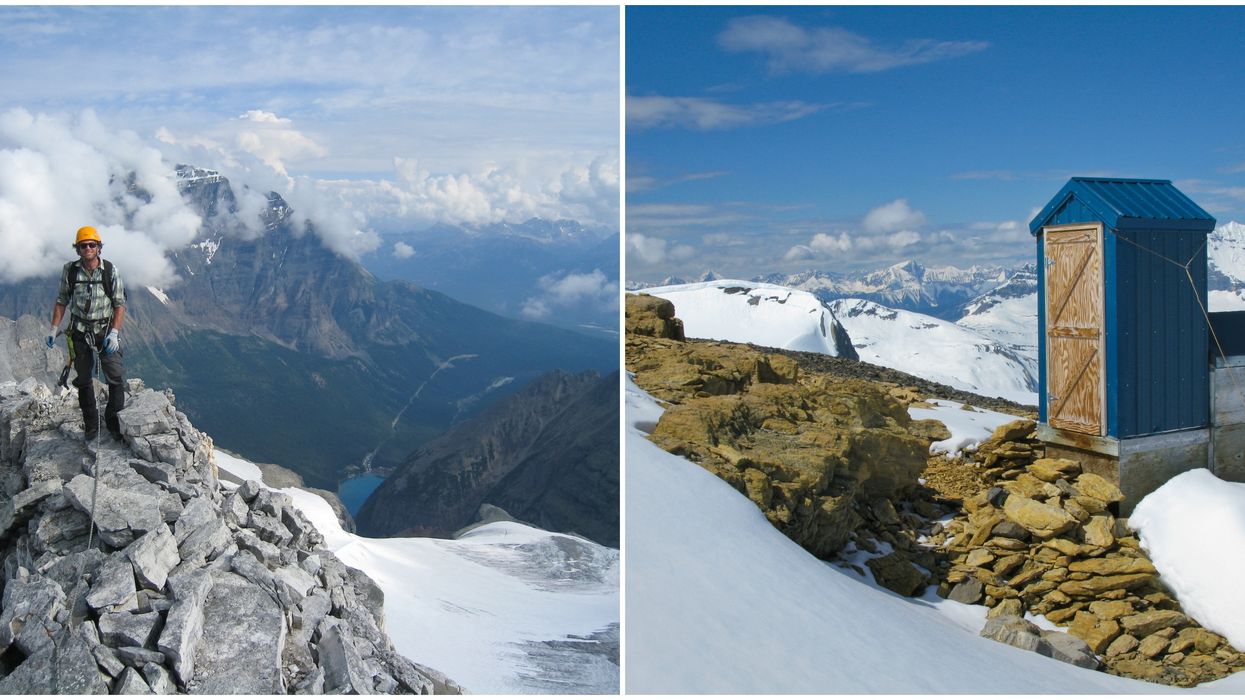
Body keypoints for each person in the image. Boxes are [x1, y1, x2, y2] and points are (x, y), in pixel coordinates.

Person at [47, 226, 127, 441]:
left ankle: (113, 423)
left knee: (116, 377)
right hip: (80, 332)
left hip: (105, 330)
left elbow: (119, 304)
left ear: (99, 248)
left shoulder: (110, 271)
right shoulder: (70, 271)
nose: (88, 248)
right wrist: (54, 329)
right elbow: (62, 300)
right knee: (83, 380)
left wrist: (114, 333)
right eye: (83, 245)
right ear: (78, 249)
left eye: (92, 244)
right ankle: (91, 425)